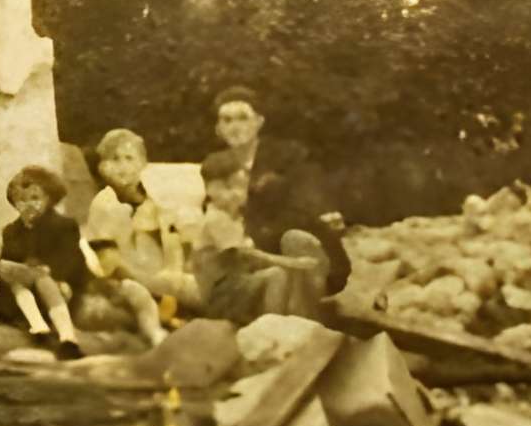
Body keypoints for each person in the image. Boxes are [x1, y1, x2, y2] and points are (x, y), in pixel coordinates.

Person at [206, 85, 348, 310]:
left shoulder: (286, 155)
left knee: (296, 237)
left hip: (296, 244)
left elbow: (308, 188)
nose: (235, 127)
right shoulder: (216, 166)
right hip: (259, 257)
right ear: (218, 128)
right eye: (227, 120)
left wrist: (324, 210)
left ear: (259, 122)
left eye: (243, 118)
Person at [78, 128, 180, 347]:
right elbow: (108, 260)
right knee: (138, 295)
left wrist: (173, 273)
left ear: (143, 163)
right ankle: (156, 335)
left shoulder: (155, 204)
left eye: (129, 158)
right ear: (102, 167)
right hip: (121, 279)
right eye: (115, 159)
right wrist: (148, 283)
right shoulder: (104, 204)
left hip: (158, 276)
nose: (123, 166)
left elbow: (172, 246)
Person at [0, 164, 89, 360]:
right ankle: (38, 326)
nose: (28, 204)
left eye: (35, 198)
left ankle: (68, 338)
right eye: (21, 199)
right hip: (22, 294)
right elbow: (9, 258)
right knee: (13, 276)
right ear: (14, 203)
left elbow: (70, 258)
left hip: (58, 286)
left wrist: (58, 276)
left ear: (49, 199)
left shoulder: (63, 226)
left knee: (41, 278)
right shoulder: (11, 231)